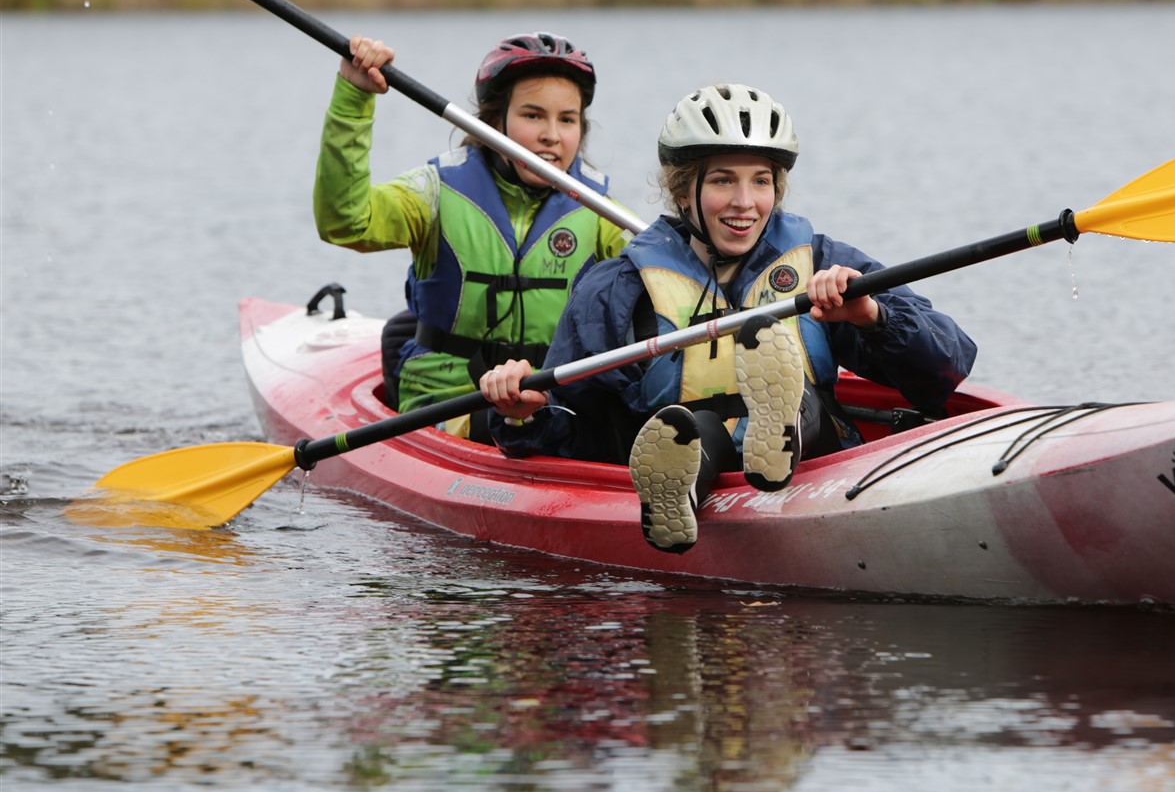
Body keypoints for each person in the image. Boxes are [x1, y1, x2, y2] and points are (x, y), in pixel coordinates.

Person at [479, 83, 976, 552]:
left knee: (796, 401)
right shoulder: (616, 289)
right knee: (691, 430)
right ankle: (679, 492)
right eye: (722, 180)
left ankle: (776, 433)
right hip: (695, 451)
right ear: (681, 191)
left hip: (816, 466)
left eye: (761, 181)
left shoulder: (822, 263)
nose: (744, 203)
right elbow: (578, 427)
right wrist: (523, 414)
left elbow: (948, 365)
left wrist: (872, 316)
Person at [314, 31, 630, 442]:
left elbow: (663, 285)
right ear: (494, 121)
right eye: (533, 116)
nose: (552, 135)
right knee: (504, 425)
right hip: (445, 401)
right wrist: (354, 99)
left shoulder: (599, 209)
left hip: (551, 399)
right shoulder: (433, 192)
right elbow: (345, 221)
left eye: (567, 119)